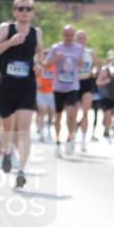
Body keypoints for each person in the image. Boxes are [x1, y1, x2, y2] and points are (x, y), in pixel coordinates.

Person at [0, 0, 43, 188]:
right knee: (8, 127)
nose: (24, 12)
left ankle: (21, 170)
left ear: (33, 12)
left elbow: (39, 53)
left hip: (27, 84)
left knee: (24, 128)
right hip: (7, 85)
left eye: (28, 9)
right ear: (14, 11)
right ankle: (7, 151)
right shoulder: (5, 29)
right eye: (20, 8)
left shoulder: (37, 32)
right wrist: (10, 43)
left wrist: (39, 64)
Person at [44, 25, 84, 156]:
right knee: (58, 116)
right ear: (62, 35)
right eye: (66, 35)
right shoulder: (56, 48)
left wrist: (79, 61)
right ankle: (57, 142)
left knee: (71, 113)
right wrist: (56, 59)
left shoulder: (78, 48)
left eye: (71, 35)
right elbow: (45, 65)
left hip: (72, 86)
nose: (69, 38)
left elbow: (81, 65)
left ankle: (70, 138)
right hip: (58, 87)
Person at [75, 29, 99, 152]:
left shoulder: (90, 52)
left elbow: (96, 65)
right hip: (74, 83)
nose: (82, 40)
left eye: (83, 38)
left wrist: (95, 71)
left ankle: (83, 140)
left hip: (87, 83)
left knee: (85, 112)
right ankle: (72, 135)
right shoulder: (71, 51)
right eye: (79, 38)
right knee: (73, 113)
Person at [96, 51, 114, 138]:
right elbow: (98, 82)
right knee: (107, 115)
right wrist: (105, 81)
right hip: (106, 96)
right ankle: (106, 131)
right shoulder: (104, 69)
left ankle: (113, 126)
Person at [35, 49, 55, 141]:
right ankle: (41, 132)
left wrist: (54, 83)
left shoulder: (55, 67)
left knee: (51, 114)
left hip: (51, 93)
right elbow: (34, 77)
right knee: (42, 111)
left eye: (48, 54)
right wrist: (37, 83)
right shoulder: (39, 67)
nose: (46, 56)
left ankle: (49, 131)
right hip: (41, 92)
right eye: (45, 54)